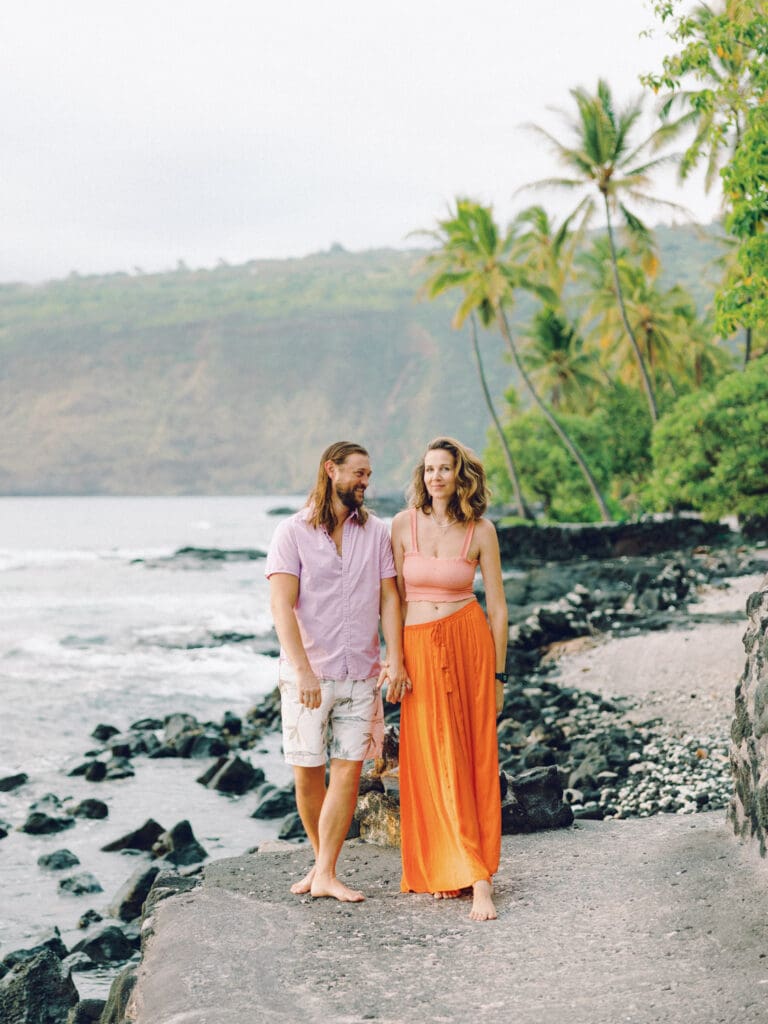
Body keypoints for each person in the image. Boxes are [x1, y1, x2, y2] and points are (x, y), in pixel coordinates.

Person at [265, 441, 407, 902]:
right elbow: (281, 606)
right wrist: (303, 671)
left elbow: (389, 598)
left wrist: (395, 656)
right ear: (331, 470)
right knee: (307, 770)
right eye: (359, 473)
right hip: (308, 674)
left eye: (369, 474)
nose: (366, 482)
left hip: (361, 673)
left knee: (347, 771)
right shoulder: (292, 532)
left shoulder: (378, 533)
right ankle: (322, 865)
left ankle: (325, 870)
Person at [386, 436, 508, 921]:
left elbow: (497, 608)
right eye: (430, 468)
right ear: (423, 475)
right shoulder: (401, 526)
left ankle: (477, 876)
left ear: (460, 475)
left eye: (445, 468)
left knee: (470, 755)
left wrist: (500, 675)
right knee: (431, 757)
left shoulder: (481, 531)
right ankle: (445, 864)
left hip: (468, 644)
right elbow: (391, 599)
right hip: (417, 648)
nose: (436, 476)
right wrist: (393, 660)